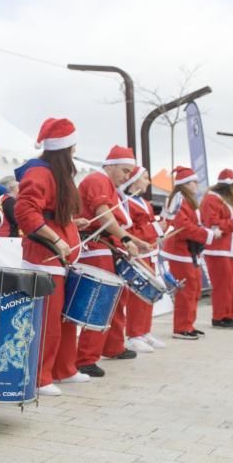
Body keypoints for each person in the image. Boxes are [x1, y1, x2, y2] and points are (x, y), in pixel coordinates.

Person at [13, 118, 87, 396]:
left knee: (63, 320)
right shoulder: (41, 172)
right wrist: (56, 238)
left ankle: (63, 368)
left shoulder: (55, 174)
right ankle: (40, 376)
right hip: (44, 258)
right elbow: (25, 211)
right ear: (65, 148)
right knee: (47, 322)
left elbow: (48, 212)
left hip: (60, 259)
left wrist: (68, 225)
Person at [73, 146, 150, 378]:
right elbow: (105, 216)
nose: (127, 176)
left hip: (105, 246)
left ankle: (112, 345)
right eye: (125, 171)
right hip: (95, 247)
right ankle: (85, 358)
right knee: (101, 301)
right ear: (111, 165)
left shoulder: (107, 184)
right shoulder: (98, 179)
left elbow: (111, 222)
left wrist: (137, 241)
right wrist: (127, 239)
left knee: (115, 300)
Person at [160, 166, 221, 339]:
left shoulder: (185, 200)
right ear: (185, 184)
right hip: (180, 251)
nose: (196, 185)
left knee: (194, 289)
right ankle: (182, 327)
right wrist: (208, 234)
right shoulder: (179, 200)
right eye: (193, 182)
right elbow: (184, 227)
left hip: (188, 251)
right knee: (186, 291)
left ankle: (188, 324)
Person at [120, 167, 166, 352]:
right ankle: (134, 334)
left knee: (148, 295)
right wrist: (155, 228)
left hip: (149, 251)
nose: (148, 181)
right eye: (145, 178)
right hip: (136, 253)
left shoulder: (144, 203)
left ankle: (144, 331)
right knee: (137, 296)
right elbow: (128, 232)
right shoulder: (125, 202)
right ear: (134, 180)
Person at [201, 169, 233, 329]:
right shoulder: (211, 200)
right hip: (217, 248)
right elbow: (212, 223)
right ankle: (219, 316)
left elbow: (222, 222)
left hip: (229, 247)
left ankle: (228, 314)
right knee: (223, 283)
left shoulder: (221, 200)